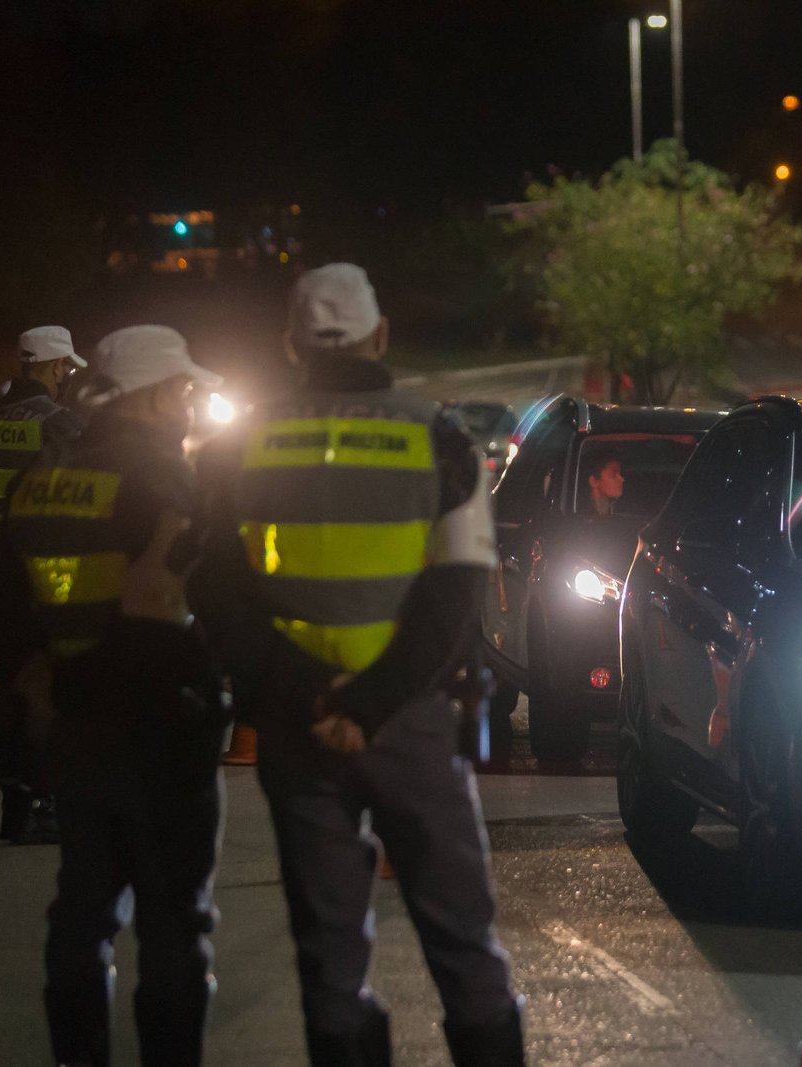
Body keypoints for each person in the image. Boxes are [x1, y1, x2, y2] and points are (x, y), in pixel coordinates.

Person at [191, 263, 525, 1066]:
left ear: (290, 344)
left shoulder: (238, 446)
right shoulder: (440, 439)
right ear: (381, 336)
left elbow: (214, 584)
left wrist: (297, 690)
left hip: (298, 727)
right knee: (464, 945)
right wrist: (372, 702)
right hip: (406, 721)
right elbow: (456, 593)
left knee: (330, 961)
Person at [0, 325, 229, 1065]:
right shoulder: (163, 481)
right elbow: (202, 602)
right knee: (175, 925)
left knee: (81, 917)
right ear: (152, 394)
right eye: (181, 388)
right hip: (160, 730)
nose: (188, 400)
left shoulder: (44, 479)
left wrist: (36, 679)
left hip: (74, 732)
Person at [0, 326, 89, 842]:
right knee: (46, 687)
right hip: (42, 572)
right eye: (68, 370)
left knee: (10, 686)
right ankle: (43, 802)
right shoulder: (59, 424)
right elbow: (71, 502)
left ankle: (14, 801)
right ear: (57, 367)